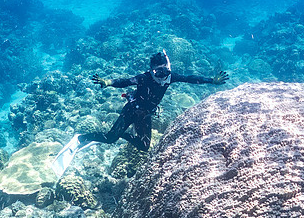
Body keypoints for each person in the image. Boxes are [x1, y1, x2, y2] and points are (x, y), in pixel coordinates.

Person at [79, 50, 228, 151]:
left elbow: (190, 78)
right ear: (151, 70)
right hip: (131, 110)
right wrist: (108, 82)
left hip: (146, 114)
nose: (162, 76)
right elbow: (125, 81)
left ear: (168, 69)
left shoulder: (171, 77)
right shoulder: (144, 78)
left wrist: (211, 80)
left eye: (165, 71)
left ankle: (122, 135)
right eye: (158, 72)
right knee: (110, 138)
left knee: (144, 147)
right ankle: (82, 138)